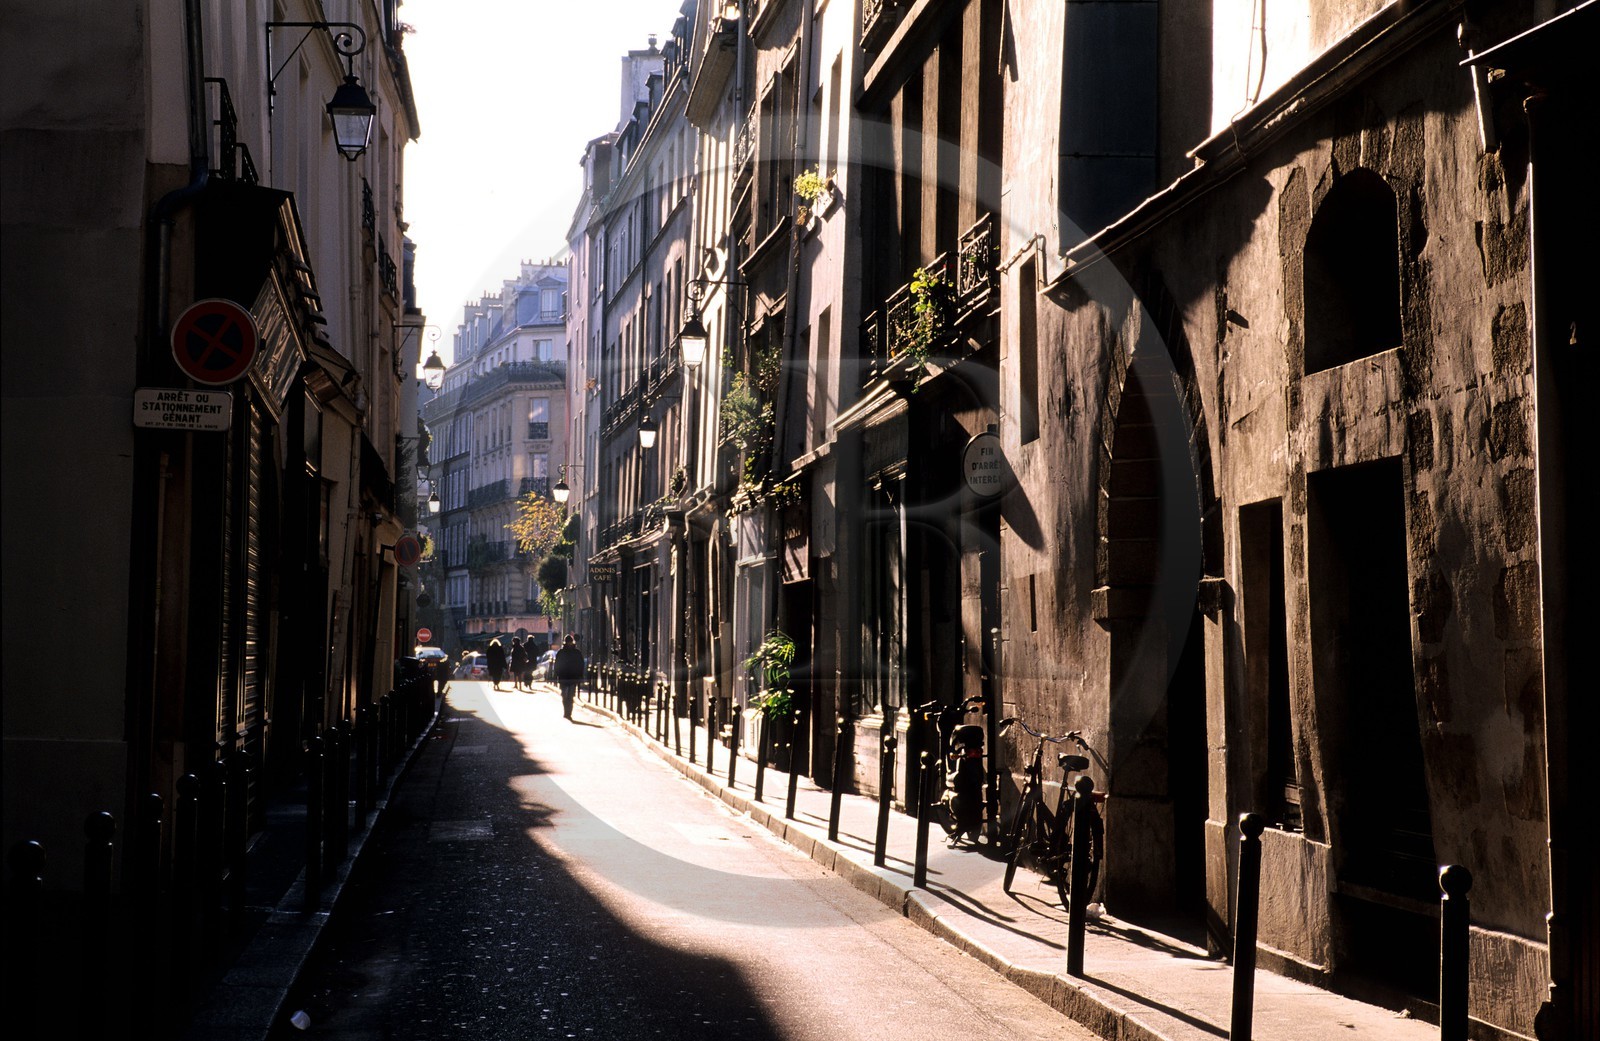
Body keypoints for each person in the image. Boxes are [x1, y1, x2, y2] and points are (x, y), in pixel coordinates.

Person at [553, 635, 585, 721]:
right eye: (568, 642)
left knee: (570, 696)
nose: (569, 643)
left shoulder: (576, 652)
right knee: (565, 695)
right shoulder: (562, 652)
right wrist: (556, 675)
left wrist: (580, 675)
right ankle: (566, 712)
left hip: (571, 677)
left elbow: (581, 664)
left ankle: (568, 713)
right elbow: (557, 664)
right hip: (565, 676)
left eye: (570, 642)